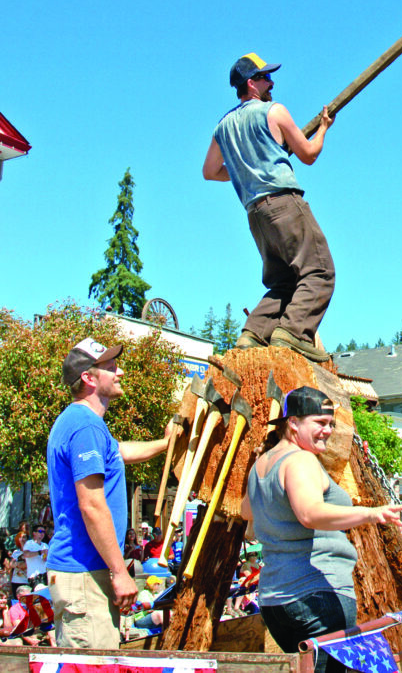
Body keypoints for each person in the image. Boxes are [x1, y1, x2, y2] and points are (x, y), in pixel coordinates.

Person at [240, 386, 402, 673]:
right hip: (315, 594)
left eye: (330, 424)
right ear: (293, 423)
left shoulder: (261, 464)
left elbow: (246, 511)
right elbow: (309, 513)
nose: (327, 431)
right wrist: (370, 513)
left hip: (274, 601)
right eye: (319, 422)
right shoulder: (300, 460)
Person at [203, 52, 335, 362]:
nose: (271, 82)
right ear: (251, 84)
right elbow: (309, 154)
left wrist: (240, 169)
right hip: (284, 202)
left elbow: (209, 172)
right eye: (265, 77)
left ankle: (253, 335)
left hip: (255, 213)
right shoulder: (273, 112)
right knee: (319, 271)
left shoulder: (223, 126)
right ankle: (293, 333)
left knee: (283, 281)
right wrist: (324, 127)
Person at [46, 337, 172, 649]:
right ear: (88, 378)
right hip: (85, 573)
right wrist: (119, 571)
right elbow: (91, 505)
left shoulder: (84, 424)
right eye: (111, 368)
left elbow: (120, 452)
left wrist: (166, 444)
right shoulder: (85, 426)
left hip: (85, 572)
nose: (121, 372)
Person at [22, 524, 48, 589]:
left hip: (44, 575)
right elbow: (26, 554)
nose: (42, 533)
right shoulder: (29, 543)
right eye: (40, 531)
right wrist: (40, 552)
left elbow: (45, 559)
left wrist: (46, 556)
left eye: (43, 532)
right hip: (34, 576)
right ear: (34, 533)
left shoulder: (45, 545)